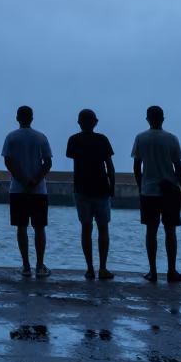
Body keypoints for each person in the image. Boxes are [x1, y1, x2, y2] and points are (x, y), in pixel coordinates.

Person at [132, 105, 181, 283]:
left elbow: (137, 166)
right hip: (170, 190)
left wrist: (141, 185)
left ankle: (153, 271)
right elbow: (178, 168)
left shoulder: (141, 138)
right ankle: (171, 271)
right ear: (163, 118)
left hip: (149, 190)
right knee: (170, 231)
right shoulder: (171, 139)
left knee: (151, 231)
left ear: (147, 118)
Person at [2, 105, 52, 277]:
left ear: (18, 118)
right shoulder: (40, 137)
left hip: (17, 189)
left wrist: (22, 180)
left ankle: (25, 266)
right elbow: (47, 163)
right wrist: (35, 180)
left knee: (21, 227)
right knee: (39, 227)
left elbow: (8, 162)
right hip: (38, 190)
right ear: (32, 118)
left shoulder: (11, 137)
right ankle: (39, 266)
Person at [66, 109, 116, 280]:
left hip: (81, 188)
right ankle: (103, 268)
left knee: (86, 228)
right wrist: (113, 186)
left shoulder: (73, 140)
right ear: (96, 122)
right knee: (103, 229)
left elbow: (73, 158)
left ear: (79, 122)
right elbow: (109, 165)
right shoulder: (102, 140)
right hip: (101, 188)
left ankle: (89, 269)